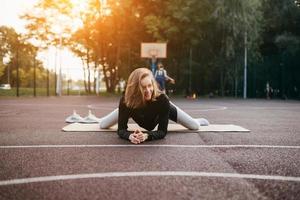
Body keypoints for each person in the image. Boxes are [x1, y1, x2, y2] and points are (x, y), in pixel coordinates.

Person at [98, 68, 209, 144]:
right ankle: (98, 118)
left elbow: (162, 132)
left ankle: (196, 120)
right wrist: (129, 136)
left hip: (162, 108)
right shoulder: (126, 101)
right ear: (136, 89)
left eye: (150, 85)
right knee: (103, 124)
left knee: (195, 126)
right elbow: (121, 130)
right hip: (134, 103)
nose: (148, 90)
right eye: (143, 87)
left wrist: (146, 136)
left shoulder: (162, 100)